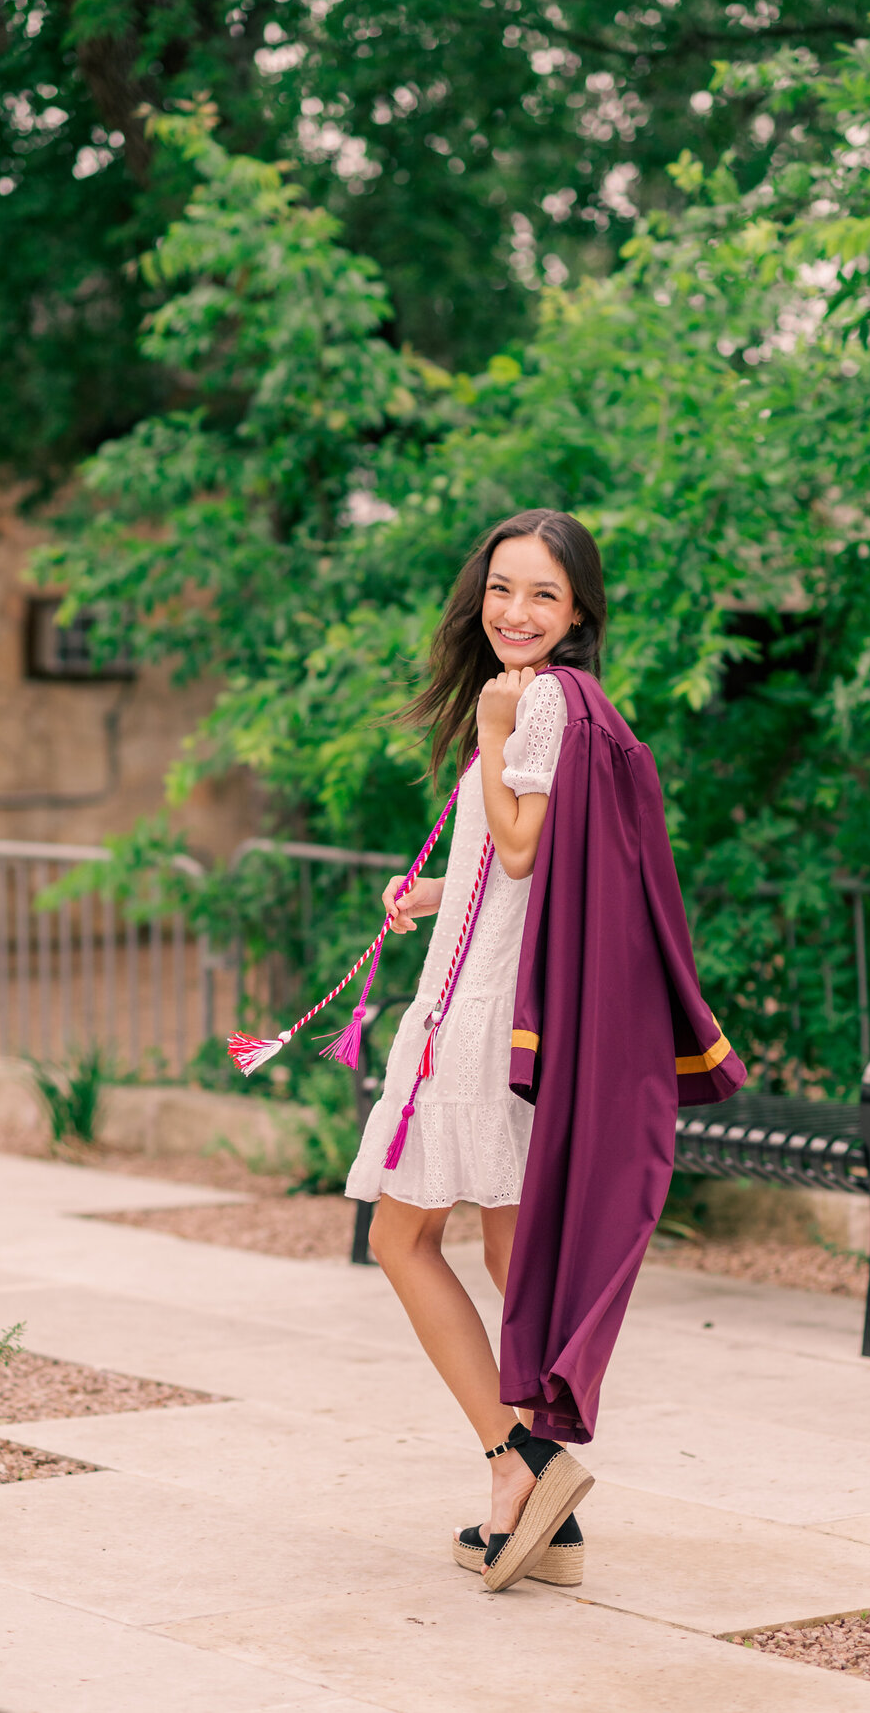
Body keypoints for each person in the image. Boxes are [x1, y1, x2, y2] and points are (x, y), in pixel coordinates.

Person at [345, 508, 745, 1593]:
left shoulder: (531, 705)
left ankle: (518, 1456)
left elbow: (520, 850)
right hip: (513, 1004)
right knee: (509, 1256)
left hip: (481, 1020)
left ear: (578, 614)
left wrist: (487, 729)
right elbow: (517, 861)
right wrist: (430, 892)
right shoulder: (574, 705)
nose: (516, 612)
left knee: (399, 1237)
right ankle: (548, 1528)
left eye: (544, 596)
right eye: (503, 589)